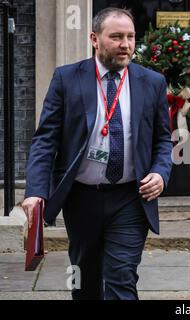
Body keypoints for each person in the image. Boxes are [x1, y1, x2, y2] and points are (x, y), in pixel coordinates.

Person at [21, 8, 173, 300]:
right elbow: (45, 140)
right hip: (81, 199)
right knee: (83, 280)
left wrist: (160, 173)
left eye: (130, 37)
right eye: (116, 37)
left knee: (122, 278)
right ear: (94, 38)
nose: (125, 44)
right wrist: (36, 191)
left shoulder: (151, 82)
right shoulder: (67, 79)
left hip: (130, 197)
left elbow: (163, 141)